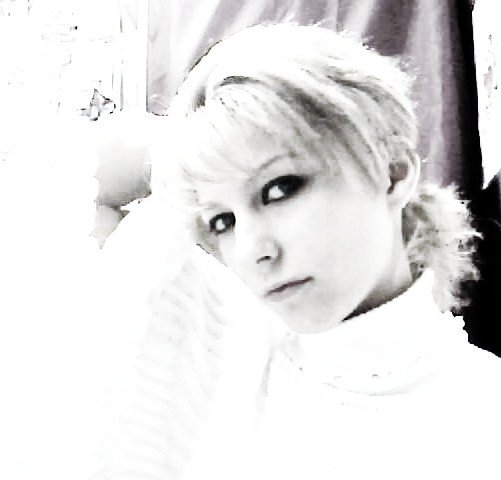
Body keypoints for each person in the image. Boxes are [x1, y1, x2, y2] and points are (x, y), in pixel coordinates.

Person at [107, 23, 501, 479]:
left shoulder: (483, 415)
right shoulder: (222, 342)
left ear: (392, 170)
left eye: (280, 189)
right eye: (223, 221)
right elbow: (65, 182)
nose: (251, 250)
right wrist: (205, 142)